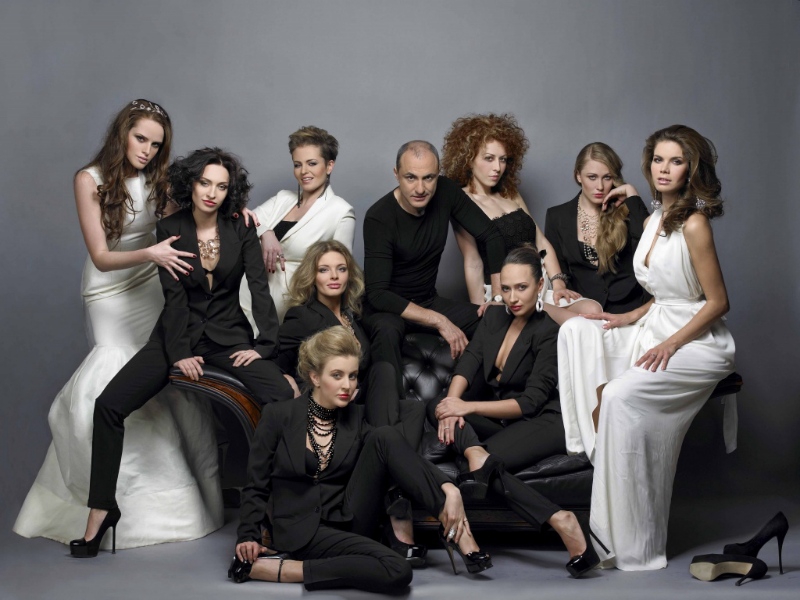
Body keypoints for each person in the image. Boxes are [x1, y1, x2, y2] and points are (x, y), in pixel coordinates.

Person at [14, 100, 224, 549]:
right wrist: (152, 253)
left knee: (160, 379)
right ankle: (101, 503)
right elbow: (101, 256)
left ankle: (175, 504)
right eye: (140, 138)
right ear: (122, 134)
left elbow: (200, 214)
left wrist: (251, 222)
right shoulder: (88, 179)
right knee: (111, 378)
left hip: (153, 282)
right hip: (109, 289)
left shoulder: (158, 181)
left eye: (156, 144)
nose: (147, 150)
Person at [70, 147, 294, 557]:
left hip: (230, 338)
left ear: (230, 191)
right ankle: (102, 509)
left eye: (221, 186)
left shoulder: (241, 227)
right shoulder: (170, 227)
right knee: (108, 406)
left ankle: (268, 509)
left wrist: (264, 346)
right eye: (205, 183)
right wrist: (177, 353)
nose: (211, 193)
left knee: (281, 396)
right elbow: (173, 299)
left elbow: (259, 291)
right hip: (175, 336)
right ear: (191, 184)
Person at [559, 125, 735, 570]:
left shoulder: (694, 223)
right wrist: (627, 318)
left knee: (619, 395)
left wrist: (671, 345)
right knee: (582, 339)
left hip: (697, 339)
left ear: (691, 168)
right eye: (658, 160)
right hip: (656, 325)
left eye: (676, 161)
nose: (664, 169)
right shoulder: (655, 218)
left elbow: (717, 302)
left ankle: (637, 542)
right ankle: (602, 477)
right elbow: (661, 292)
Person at [232, 327, 492, 592]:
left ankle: (457, 530)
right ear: (315, 376)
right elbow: (256, 484)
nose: (347, 385)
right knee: (398, 570)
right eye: (337, 375)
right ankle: (288, 570)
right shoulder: (278, 415)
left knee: (385, 435)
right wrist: (248, 537)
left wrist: (449, 488)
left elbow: (398, 453)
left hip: (349, 523)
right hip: (297, 529)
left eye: (353, 376)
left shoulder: (355, 418)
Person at [429, 245, 602, 578]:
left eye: (521, 287)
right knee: (434, 406)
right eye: (505, 288)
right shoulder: (494, 316)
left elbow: (531, 402)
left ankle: (560, 520)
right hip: (503, 421)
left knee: (476, 468)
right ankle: (558, 517)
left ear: (540, 286)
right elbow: (470, 361)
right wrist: (450, 407)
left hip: (544, 421)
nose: (512, 297)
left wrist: (466, 406)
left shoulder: (549, 330)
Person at [276, 240, 429, 564]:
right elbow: (278, 359)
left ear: (349, 274)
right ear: (312, 276)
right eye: (324, 269)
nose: (334, 276)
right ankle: (398, 514)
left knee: (409, 402)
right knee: (393, 389)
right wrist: (285, 378)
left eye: (341, 269)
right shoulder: (301, 316)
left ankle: (392, 486)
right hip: (332, 407)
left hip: (360, 405)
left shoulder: (352, 315)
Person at [362, 140, 506, 394]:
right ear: (396, 174)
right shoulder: (379, 217)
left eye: (428, 178)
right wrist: (439, 321)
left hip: (428, 300)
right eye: (410, 177)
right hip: (388, 308)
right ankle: (391, 413)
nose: (420, 188)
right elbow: (378, 294)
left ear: (438, 174)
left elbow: (491, 235)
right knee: (386, 331)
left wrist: (496, 297)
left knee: (496, 318)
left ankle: (468, 402)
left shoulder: (446, 191)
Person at [441, 113, 600, 324]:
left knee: (593, 309)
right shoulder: (462, 202)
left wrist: (558, 284)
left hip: (538, 283)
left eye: (503, 159)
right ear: (468, 159)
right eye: (489, 158)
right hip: (508, 293)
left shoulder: (510, 193)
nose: (497, 167)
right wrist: (479, 313)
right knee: (578, 323)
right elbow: (473, 261)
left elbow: (541, 242)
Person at [240, 126, 355, 325]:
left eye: (312, 163)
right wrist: (266, 232)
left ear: (329, 166)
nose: (304, 172)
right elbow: (245, 220)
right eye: (297, 164)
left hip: (293, 307)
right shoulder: (283, 198)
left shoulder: (341, 211)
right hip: (248, 294)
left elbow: (340, 272)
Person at [544, 142, 650, 313]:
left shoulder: (627, 211)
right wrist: (560, 287)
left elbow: (651, 246)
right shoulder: (557, 216)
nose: (600, 186)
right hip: (584, 310)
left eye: (607, 177)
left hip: (631, 308)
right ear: (578, 176)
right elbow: (559, 267)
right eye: (592, 177)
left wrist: (632, 194)